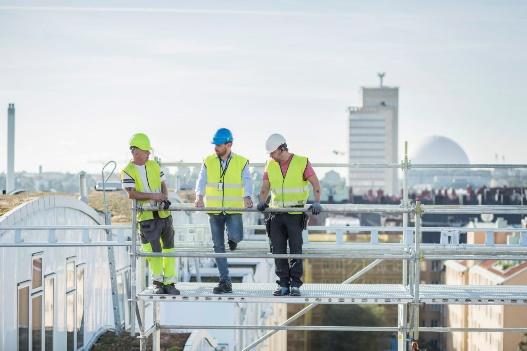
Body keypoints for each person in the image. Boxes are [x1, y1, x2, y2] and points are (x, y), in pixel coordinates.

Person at [257, 133, 321, 296]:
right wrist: (262, 201)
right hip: (276, 214)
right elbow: (265, 187)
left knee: (295, 250)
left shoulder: (302, 162)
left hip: (295, 213)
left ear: (281, 149)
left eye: (272, 152)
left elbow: (315, 183)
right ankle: (283, 284)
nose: (270, 156)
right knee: (277, 250)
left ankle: (295, 285)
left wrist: (317, 202)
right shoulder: (270, 164)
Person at [195, 128, 253, 294]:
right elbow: (201, 179)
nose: (215, 148)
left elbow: (247, 180)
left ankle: (233, 239)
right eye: (215, 145)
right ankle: (225, 281)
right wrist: (199, 196)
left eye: (219, 145)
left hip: (233, 208)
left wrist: (247, 196)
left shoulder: (241, 161)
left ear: (229, 144)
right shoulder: (208, 161)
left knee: (236, 236)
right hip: (214, 209)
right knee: (218, 246)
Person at [121, 133, 179, 295]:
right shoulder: (127, 171)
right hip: (147, 217)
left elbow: (163, 185)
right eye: (145, 152)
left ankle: (170, 282)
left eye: (148, 152)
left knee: (169, 250)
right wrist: (155, 196)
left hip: (163, 214)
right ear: (135, 152)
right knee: (154, 253)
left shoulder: (154, 165)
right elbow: (131, 194)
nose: (148, 155)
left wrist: (164, 197)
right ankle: (157, 282)